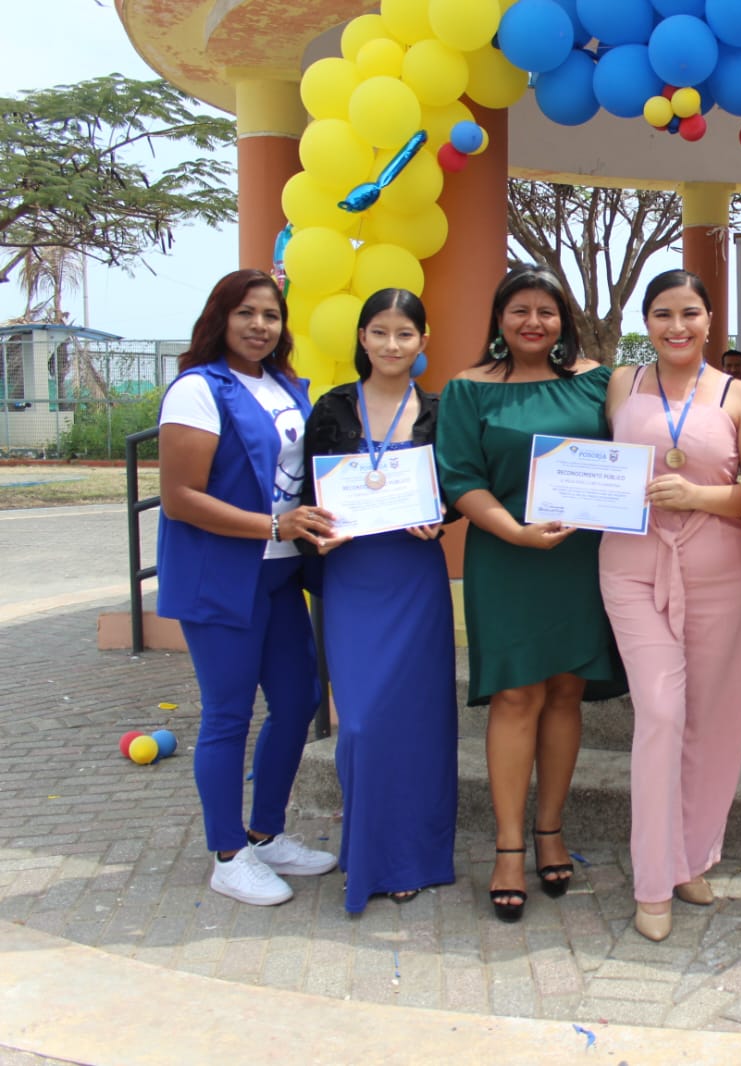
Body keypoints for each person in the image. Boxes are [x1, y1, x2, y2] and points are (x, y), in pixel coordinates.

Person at [436, 266, 622, 924]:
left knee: (566, 689)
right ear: (499, 318)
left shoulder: (598, 382)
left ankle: (551, 830)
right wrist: (515, 530)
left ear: (563, 320)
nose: (533, 322)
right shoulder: (468, 389)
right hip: (507, 557)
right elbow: (460, 478)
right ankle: (509, 846)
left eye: (546, 311)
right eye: (519, 310)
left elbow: (630, 451)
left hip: (580, 558)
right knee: (516, 694)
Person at [156, 269, 339, 906]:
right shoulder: (197, 390)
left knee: (298, 700)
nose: (260, 326)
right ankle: (228, 854)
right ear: (221, 318)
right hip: (222, 576)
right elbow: (180, 498)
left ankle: (266, 833)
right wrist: (272, 525)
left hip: (281, 573)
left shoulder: (286, 385)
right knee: (228, 714)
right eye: (246, 313)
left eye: (271, 315)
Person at [600, 271, 741, 941]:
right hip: (631, 564)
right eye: (663, 313)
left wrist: (697, 496)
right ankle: (651, 882)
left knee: (712, 719)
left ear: (709, 319)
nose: (677, 326)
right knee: (662, 713)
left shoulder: (738, 394)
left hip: (717, 565)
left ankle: (690, 858)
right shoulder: (623, 383)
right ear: (646, 322)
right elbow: (595, 469)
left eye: (689, 313)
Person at [301, 288, 457, 913]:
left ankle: (412, 857)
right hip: (352, 574)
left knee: (417, 722)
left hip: (415, 576)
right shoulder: (332, 406)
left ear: (423, 341)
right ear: (362, 337)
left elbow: (455, 489)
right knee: (361, 724)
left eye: (405, 333)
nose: (392, 345)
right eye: (380, 332)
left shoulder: (440, 410)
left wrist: (440, 517)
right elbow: (309, 494)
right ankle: (368, 851)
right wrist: (316, 530)